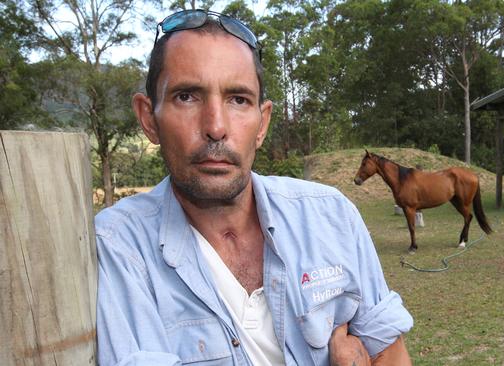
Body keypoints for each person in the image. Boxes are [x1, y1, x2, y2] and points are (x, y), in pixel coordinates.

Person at [95, 9, 413, 366]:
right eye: (187, 96)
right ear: (148, 119)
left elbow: (390, 350)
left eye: (238, 99)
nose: (216, 126)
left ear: (262, 124)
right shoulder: (120, 246)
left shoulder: (331, 216)